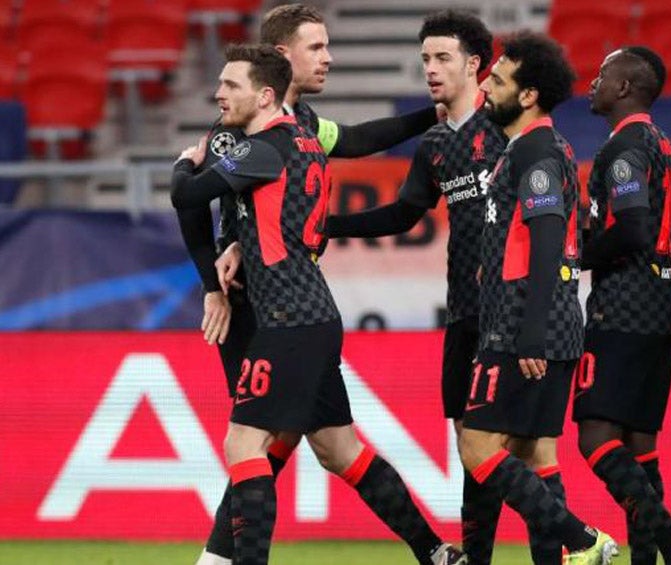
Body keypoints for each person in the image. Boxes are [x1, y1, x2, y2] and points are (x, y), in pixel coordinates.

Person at [171, 44, 466, 565]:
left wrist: (183, 165)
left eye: (230, 85)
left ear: (264, 95)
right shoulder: (305, 139)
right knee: (338, 450)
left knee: (244, 445)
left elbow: (187, 197)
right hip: (312, 313)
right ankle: (436, 553)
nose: (219, 93)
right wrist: (239, 245)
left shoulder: (259, 146)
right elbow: (287, 208)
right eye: (317, 45)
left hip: (286, 318)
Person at [315, 10, 515, 564]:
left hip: (511, 310)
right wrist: (330, 225)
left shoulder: (510, 127)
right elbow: (406, 213)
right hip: (464, 313)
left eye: (442, 57)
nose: (430, 68)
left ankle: (569, 542)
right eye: (425, 58)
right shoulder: (434, 143)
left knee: (511, 447)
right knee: (469, 445)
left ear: (475, 64)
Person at [458, 31, 617, 565]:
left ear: (528, 96)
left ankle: (582, 540)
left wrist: (527, 331)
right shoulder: (538, 150)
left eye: (498, 80)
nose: (486, 88)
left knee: (477, 448)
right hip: (548, 326)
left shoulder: (537, 152)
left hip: (524, 327)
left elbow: (549, 238)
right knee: (532, 454)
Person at [573, 46, 671, 565]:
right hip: (662, 300)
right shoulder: (662, 142)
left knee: (595, 439)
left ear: (625, 88)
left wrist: (572, 259)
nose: (594, 82)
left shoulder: (625, 148)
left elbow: (630, 228)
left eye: (602, 74)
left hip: (625, 303)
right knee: (640, 446)